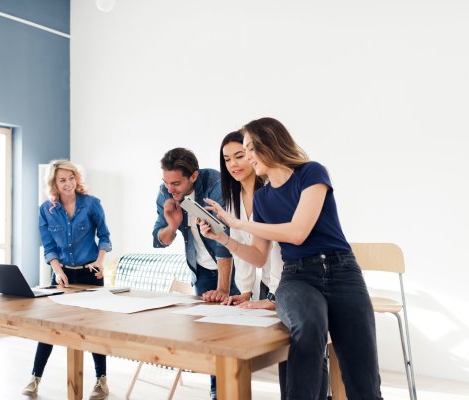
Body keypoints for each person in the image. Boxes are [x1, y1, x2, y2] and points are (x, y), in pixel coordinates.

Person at [200, 118, 382, 400]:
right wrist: (222, 237)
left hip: (343, 270)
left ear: (270, 143)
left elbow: (298, 232)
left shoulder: (311, 173)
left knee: (363, 374)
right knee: (308, 327)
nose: (247, 158)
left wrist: (239, 224)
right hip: (298, 277)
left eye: (249, 149)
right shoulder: (262, 198)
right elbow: (259, 257)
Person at [152, 147, 239, 400]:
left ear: (194, 176)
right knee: (209, 334)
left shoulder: (214, 183)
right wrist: (172, 225)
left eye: (176, 183)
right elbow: (160, 239)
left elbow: (225, 237)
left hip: (230, 266)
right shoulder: (165, 192)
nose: (170, 189)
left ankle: (231, 390)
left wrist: (223, 288)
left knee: (230, 332)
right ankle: (216, 392)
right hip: (200, 270)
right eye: (166, 182)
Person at [22, 159, 112, 400]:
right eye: (62, 180)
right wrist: (58, 270)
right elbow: (48, 245)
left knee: (93, 329)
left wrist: (100, 261)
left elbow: (104, 235)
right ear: (54, 183)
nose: (68, 183)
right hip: (62, 275)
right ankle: (34, 378)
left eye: (71, 178)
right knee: (50, 326)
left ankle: (101, 381)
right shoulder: (46, 209)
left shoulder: (91, 204)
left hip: (90, 273)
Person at [218, 130, 283, 306]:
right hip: (267, 285)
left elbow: (279, 248)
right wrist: (245, 290)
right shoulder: (233, 198)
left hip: (285, 285)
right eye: (227, 159)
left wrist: (275, 295)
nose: (233, 164)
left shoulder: (273, 192)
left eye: (239, 156)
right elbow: (240, 247)